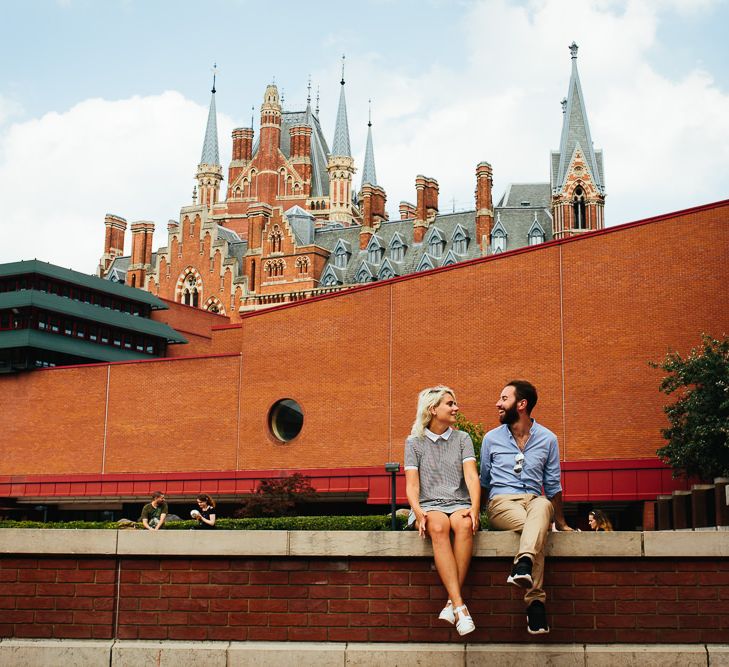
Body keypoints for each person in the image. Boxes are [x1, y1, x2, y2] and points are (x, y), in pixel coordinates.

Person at [480, 380, 572, 635]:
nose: (498, 404)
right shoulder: (491, 439)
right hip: (502, 503)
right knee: (539, 529)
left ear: (521, 405)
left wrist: (562, 522)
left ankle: (523, 564)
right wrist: (476, 514)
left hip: (535, 502)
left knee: (542, 506)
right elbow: (484, 482)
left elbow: (552, 485)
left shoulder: (548, 439)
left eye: (504, 399)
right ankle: (535, 602)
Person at [405, 385, 481, 636]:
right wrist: (417, 511)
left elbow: (471, 478)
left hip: (459, 502)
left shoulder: (462, 439)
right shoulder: (414, 442)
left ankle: (452, 604)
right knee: (438, 526)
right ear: (432, 409)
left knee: (463, 524)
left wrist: (475, 509)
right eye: (450, 404)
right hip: (428, 504)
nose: (456, 408)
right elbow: (412, 484)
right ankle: (460, 605)